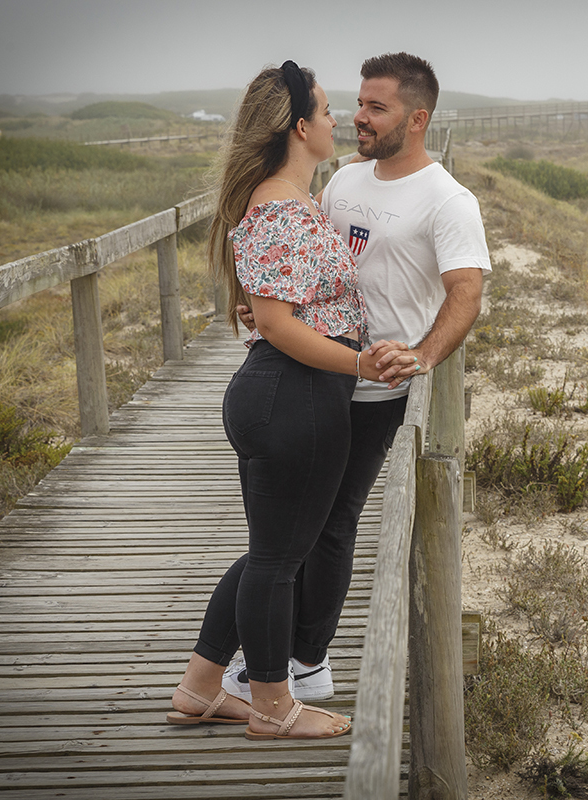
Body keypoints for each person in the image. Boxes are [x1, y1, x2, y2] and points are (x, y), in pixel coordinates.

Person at [226, 52, 489, 703]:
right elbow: (299, 255)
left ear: (417, 117)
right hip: (313, 378)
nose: (357, 117)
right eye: (356, 103)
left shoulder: (448, 200)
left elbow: (466, 294)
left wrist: (423, 355)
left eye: (377, 107)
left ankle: (302, 662)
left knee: (329, 523)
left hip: (374, 389)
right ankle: (269, 666)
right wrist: (262, 301)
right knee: (291, 532)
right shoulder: (343, 179)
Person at [165, 60, 407, 740]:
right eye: (328, 111)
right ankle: (273, 705)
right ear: (301, 126)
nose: (338, 121)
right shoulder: (277, 206)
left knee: (270, 550)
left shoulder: (295, 201)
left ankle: (201, 686)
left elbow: (280, 302)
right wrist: (361, 361)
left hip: (290, 396)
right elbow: (275, 321)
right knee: (278, 560)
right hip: (290, 396)